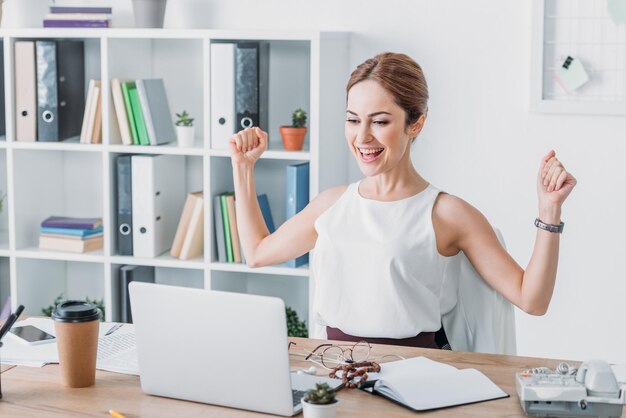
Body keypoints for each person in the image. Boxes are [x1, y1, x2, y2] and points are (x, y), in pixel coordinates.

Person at [228, 52, 576, 349]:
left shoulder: (447, 213)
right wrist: (243, 169)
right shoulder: (332, 204)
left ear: (416, 125)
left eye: (379, 122)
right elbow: (257, 253)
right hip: (332, 374)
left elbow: (532, 300)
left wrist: (550, 211)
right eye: (352, 120)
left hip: (416, 380)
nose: (362, 136)